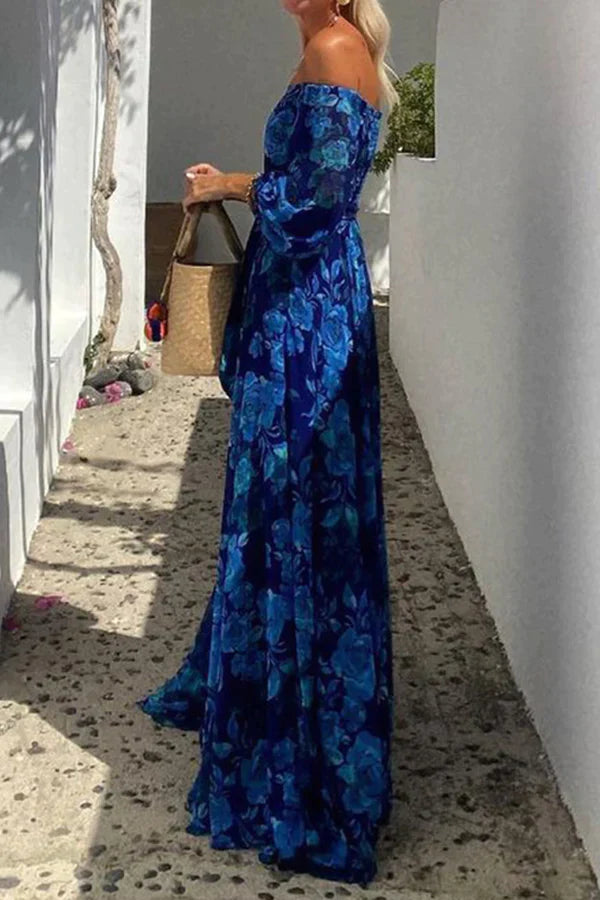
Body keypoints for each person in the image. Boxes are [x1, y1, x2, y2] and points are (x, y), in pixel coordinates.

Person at [138, 0, 396, 886]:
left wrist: (234, 185)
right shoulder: (326, 46)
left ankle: (307, 747)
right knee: (291, 508)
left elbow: (319, 206)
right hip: (306, 305)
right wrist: (237, 182)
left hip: (307, 322)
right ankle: (277, 689)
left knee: (295, 505)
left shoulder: (334, 46)